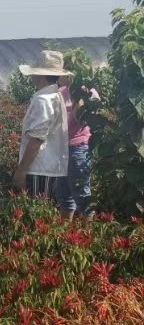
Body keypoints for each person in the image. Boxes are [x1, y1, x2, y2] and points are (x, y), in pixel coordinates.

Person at [11, 50, 71, 199]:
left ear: (40, 75)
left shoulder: (43, 99)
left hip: (40, 168)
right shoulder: (55, 95)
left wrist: (21, 171)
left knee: (37, 214)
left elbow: (37, 139)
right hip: (49, 167)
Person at [55, 75, 99, 219]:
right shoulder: (60, 92)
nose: (57, 76)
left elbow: (83, 120)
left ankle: (88, 237)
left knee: (82, 197)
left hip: (78, 149)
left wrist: (79, 99)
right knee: (65, 197)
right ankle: (67, 237)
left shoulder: (89, 93)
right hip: (62, 149)